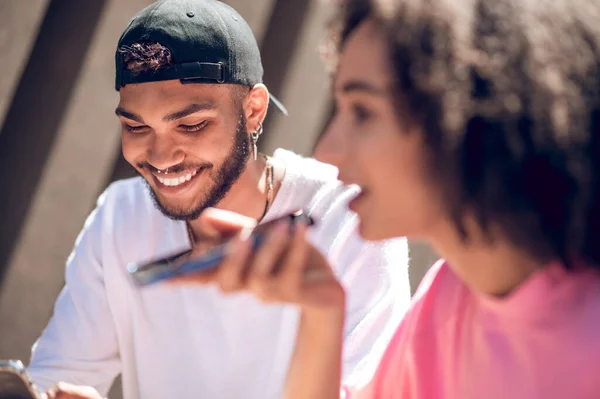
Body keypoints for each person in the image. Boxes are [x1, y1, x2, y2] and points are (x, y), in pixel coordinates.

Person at [173, 0, 600, 398]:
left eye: (362, 112)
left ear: (475, 111)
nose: (327, 151)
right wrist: (321, 312)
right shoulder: (449, 293)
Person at [26, 1, 411, 398]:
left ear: (253, 111)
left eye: (191, 125)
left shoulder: (349, 216)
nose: (160, 157)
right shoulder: (120, 215)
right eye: (136, 127)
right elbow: (58, 374)